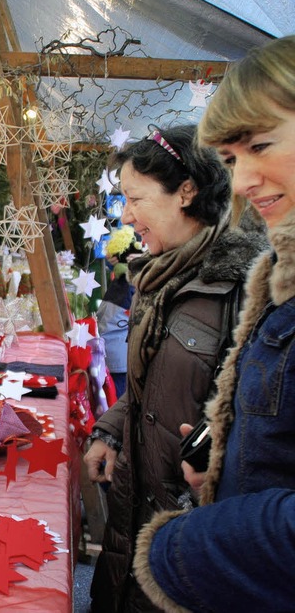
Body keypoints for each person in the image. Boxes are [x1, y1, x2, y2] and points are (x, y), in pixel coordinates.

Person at [133, 35, 295, 612]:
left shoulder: (236, 279)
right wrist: (223, 465)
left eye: (261, 145)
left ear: (184, 194)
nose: (245, 181)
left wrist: (177, 550)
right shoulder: (275, 282)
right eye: (232, 161)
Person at [82, 124, 268, 612]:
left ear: (186, 191)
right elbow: (149, 385)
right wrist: (114, 430)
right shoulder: (159, 276)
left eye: (135, 198)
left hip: (184, 535)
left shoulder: (245, 289)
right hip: (135, 511)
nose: (126, 215)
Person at [96, 225, 142, 397]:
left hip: (118, 354)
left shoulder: (128, 284)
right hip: (117, 351)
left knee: (119, 396)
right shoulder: (128, 282)